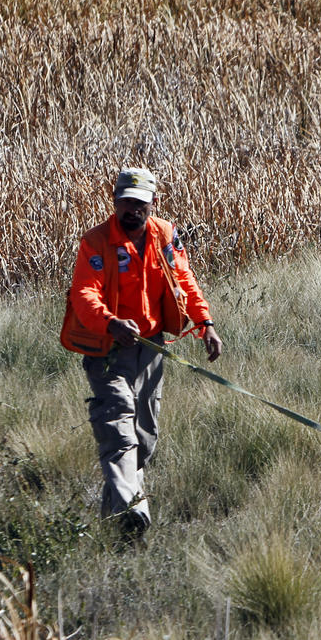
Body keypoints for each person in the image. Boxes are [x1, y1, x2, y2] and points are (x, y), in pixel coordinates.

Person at [60, 167, 224, 537]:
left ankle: (113, 528)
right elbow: (84, 295)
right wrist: (111, 321)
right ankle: (136, 512)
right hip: (108, 349)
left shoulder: (164, 234)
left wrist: (205, 324)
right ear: (115, 201)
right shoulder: (96, 242)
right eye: (126, 202)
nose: (132, 210)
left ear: (153, 204)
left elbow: (184, 280)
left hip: (151, 348)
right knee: (118, 429)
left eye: (140, 203)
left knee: (144, 438)